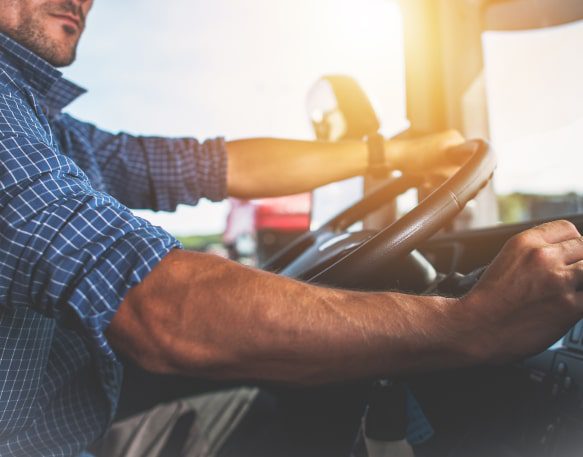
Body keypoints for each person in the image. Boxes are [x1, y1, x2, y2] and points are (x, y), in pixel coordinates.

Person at [1, 0, 583, 456]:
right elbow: (158, 307)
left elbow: (207, 164)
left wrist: (389, 155)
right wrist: (472, 324)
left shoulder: (52, 126)